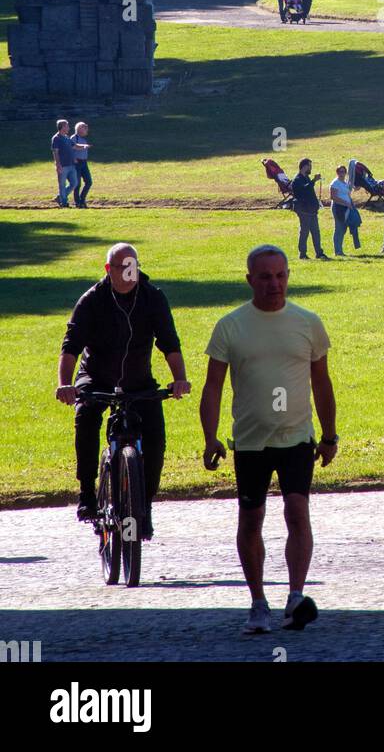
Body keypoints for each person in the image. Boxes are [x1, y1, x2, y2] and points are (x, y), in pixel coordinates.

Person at [200, 245, 338, 635]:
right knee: (252, 518)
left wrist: (329, 435)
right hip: (249, 442)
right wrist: (210, 438)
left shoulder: (308, 322)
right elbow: (212, 388)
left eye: (280, 275)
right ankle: (258, 602)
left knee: (297, 511)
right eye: (265, 277)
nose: (274, 284)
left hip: (296, 436)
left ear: (288, 276)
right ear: (249, 280)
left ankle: (295, 597)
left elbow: (322, 382)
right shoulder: (230, 326)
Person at [55, 242, 190, 538]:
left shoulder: (152, 297)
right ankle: (87, 492)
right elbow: (71, 347)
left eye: (133, 266)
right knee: (86, 416)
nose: (129, 273)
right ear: (109, 270)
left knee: (155, 439)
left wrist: (180, 378)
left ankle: (145, 505)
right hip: (95, 376)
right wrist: (65, 384)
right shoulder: (92, 299)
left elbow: (169, 342)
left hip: (138, 380)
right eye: (122, 267)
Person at [290, 158, 329, 261]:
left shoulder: (306, 178)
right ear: (305, 166)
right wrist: (314, 181)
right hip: (303, 210)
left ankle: (319, 253)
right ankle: (302, 254)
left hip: (311, 210)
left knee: (316, 232)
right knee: (304, 232)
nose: (311, 168)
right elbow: (304, 190)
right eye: (310, 166)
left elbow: (310, 192)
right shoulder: (297, 179)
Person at [329, 165, 360, 256]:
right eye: (340, 172)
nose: (342, 174)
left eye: (343, 172)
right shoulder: (335, 183)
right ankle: (338, 251)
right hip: (338, 207)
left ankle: (340, 250)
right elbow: (333, 197)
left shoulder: (345, 183)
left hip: (347, 207)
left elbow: (347, 193)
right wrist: (346, 203)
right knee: (339, 228)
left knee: (343, 228)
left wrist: (350, 203)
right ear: (337, 173)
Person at [51, 118, 78, 208]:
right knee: (62, 185)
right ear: (62, 127)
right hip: (62, 166)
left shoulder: (67, 137)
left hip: (71, 165)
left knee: (74, 183)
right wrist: (58, 165)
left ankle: (60, 197)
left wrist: (85, 146)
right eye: (67, 126)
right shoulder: (56, 138)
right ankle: (64, 202)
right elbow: (55, 152)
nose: (68, 128)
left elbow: (74, 146)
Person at [71, 121, 93, 208]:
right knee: (77, 184)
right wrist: (74, 159)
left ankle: (82, 199)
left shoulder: (83, 139)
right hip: (76, 163)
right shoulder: (74, 137)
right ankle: (78, 203)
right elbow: (72, 148)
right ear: (80, 129)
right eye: (85, 128)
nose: (87, 130)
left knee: (89, 182)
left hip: (84, 163)